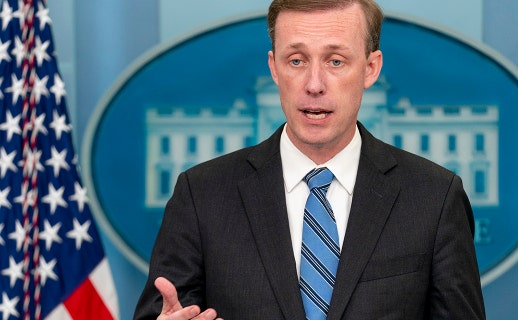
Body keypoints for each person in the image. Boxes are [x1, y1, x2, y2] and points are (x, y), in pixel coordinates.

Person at [134, 0, 486, 319]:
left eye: (335, 61)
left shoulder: (434, 198)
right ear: (274, 68)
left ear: (370, 68)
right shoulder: (202, 195)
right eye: (297, 60)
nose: (314, 84)